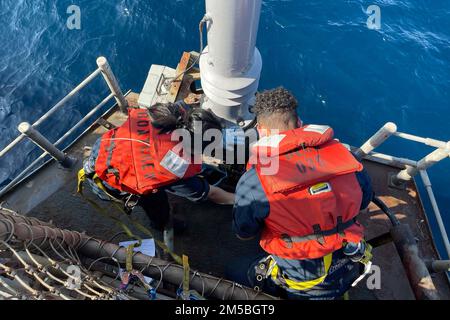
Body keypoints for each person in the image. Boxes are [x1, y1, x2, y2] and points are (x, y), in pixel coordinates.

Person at [230, 87, 373, 299]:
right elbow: (364, 201)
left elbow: (244, 232)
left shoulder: (255, 181)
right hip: (348, 252)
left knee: (235, 271)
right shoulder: (347, 158)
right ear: (299, 123)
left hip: (304, 271)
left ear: (261, 130)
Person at [78, 101, 235, 233]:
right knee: (156, 204)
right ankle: (162, 225)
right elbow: (210, 193)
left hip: (107, 147)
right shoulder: (175, 168)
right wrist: (239, 200)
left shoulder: (171, 113)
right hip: (111, 180)